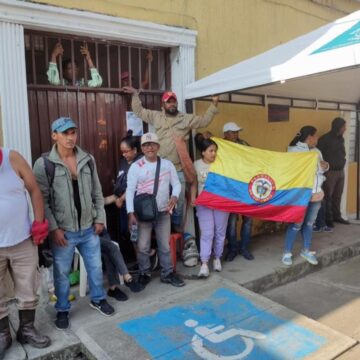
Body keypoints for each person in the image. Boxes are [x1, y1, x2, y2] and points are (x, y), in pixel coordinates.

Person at [33, 117, 114, 330]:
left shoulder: (87, 159)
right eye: (65, 133)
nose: (70, 137)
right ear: (54, 135)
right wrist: (53, 228)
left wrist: (99, 219)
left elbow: (97, 191)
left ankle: (98, 299)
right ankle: (62, 309)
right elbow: (42, 200)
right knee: (61, 274)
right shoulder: (44, 164)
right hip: (64, 232)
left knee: (96, 268)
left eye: (73, 132)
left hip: (89, 228)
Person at [122, 85, 219, 232]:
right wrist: (135, 95)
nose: (172, 104)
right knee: (159, 199)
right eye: (168, 102)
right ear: (163, 104)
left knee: (179, 201)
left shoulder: (185, 119)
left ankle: (176, 227)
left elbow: (204, 121)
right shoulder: (156, 116)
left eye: (174, 101)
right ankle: (161, 226)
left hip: (178, 168)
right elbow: (139, 111)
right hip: (160, 169)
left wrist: (214, 104)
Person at [0, 148, 51, 357]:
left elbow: (34, 190)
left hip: (22, 239)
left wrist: (39, 223)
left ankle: (27, 330)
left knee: (28, 287)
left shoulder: (12, 158)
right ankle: (3, 334)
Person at [126, 132, 185, 287]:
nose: (149, 147)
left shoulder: (167, 165)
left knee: (164, 245)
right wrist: (130, 212)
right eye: (145, 145)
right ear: (142, 148)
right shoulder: (135, 167)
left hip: (163, 211)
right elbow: (130, 190)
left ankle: (167, 273)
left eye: (152, 144)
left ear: (158, 146)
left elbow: (177, 184)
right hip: (143, 214)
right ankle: (144, 272)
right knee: (143, 246)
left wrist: (175, 196)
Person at [282, 126, 329, 266]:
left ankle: (306, 250)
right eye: (316, 136)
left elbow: (321, 170)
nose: (318, 138)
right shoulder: (293, 151)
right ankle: (287, 253)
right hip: (300, 195)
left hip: (316, 194)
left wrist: (325, 166)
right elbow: (290, 171)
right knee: (296, 224)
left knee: (309, 223)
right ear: (309, 137)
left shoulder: (316, 151)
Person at [191, 139, 229, 277]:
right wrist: (193, 196)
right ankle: (205, 263)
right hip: (204, 204)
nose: (214, 153)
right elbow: (194, 183)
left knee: (220, 232)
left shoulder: (222, 164)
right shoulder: (196, 164)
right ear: (203, 152)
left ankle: (217, 258)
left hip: (221, 203)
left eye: (215, 151)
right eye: (210, 151)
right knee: (207, 233)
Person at [222, 122, 254, 261]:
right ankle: (233, 248)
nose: (236, 134)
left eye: (237, 132)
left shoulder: (244, 144)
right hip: (230, 188)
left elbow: (254, 158)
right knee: (232, 221)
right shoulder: (219, 146)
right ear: (225, 134)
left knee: (248, 220)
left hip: (246, 187)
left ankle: (244, 248)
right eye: (232, 132)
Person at [317, 117, 349, 228]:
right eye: (343, 127)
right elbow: (318, 155)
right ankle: (328, 219)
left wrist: (343, 162)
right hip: (330, 172)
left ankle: (337, 216)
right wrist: (326, 167)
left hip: (340, 171)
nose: (345, 129)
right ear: (338, 127)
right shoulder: (324, 139)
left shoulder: (341, 139)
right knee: (328, 196)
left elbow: (343, 153)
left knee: (338, 196)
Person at [99, 229, 144, 301]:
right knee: (112, 248)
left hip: (101, 232)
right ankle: (127, 277)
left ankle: (113, 289)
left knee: (109, 251)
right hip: (87, 235)